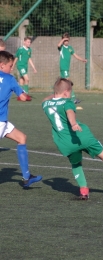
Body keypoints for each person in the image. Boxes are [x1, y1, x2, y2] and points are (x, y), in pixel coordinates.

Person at [0, 51, 42, 187]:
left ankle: (26, 177)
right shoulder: (10, 79)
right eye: (10, 66)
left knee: (21, 138)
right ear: (2, 65)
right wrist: (27, 97)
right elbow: (23, 97)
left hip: (4, 123)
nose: (12, 68)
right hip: (0, 121)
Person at [57, 32, 87, 104]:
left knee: (63, 83)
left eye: (67, 40)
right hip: (63, 67)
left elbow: (75, 55)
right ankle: (73, 98)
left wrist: (82, 59)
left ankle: (58, 96)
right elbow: (58, 45)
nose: (66, 42)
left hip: (67, 68)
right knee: (69, 83)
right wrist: (63, 39)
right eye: (65, 40)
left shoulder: (70, 48)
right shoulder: (62, 48)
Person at [12, 36, 37, 101]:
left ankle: (20, 95)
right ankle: (26, 94)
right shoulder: (20, 49)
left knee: (22, 79)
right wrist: (12, 66)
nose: (29, 43)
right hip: (20, 66)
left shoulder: (29, 50)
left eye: (30, 42)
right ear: (24, 42)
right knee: (27, 79)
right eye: (28, 42)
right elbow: (16, 58)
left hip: (25, 67)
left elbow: (29, 58)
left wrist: (33, 67)